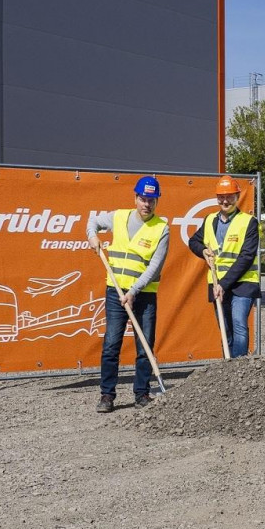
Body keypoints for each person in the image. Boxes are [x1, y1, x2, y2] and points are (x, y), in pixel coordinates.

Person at [87, 175, 168, 413]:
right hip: (115, 291)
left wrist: (133, 291)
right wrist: (93, 237)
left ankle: (141, 393)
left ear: (156, 202)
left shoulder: (161, 228)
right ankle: (107, 395)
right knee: (112, 343)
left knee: (145, 346)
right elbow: (92, 221)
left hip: (143, 295)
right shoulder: (119, 217)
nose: (147, 204)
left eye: (151, 200)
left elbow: (154, 267)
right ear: (135, 198)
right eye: (143, 199)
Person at [188, 175, 260, 358]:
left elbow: (246, 257)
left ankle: (239, 369)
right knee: (225, 327)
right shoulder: (210, 220)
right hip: (217, 282)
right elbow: (194, 241)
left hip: (243, 283)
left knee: (239, 323)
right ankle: (228, 368)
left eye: (230, 196)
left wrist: (224, 284)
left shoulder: (248, 222)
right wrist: (203, 250)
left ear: (237, 197)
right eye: (221, 197)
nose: (225, 201)